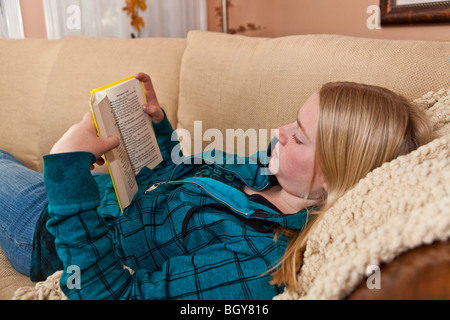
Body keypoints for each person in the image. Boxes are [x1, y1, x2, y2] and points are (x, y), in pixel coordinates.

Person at [0, 73, 433, 300]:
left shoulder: (258, 261)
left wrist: (64, 173)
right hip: (103, 189)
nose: (280, 131)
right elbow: (179, 174)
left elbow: (111, 294)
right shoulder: (271, 171)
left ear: (335, 177)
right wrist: (157, 129)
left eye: (299, 136)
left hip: (52, 225)